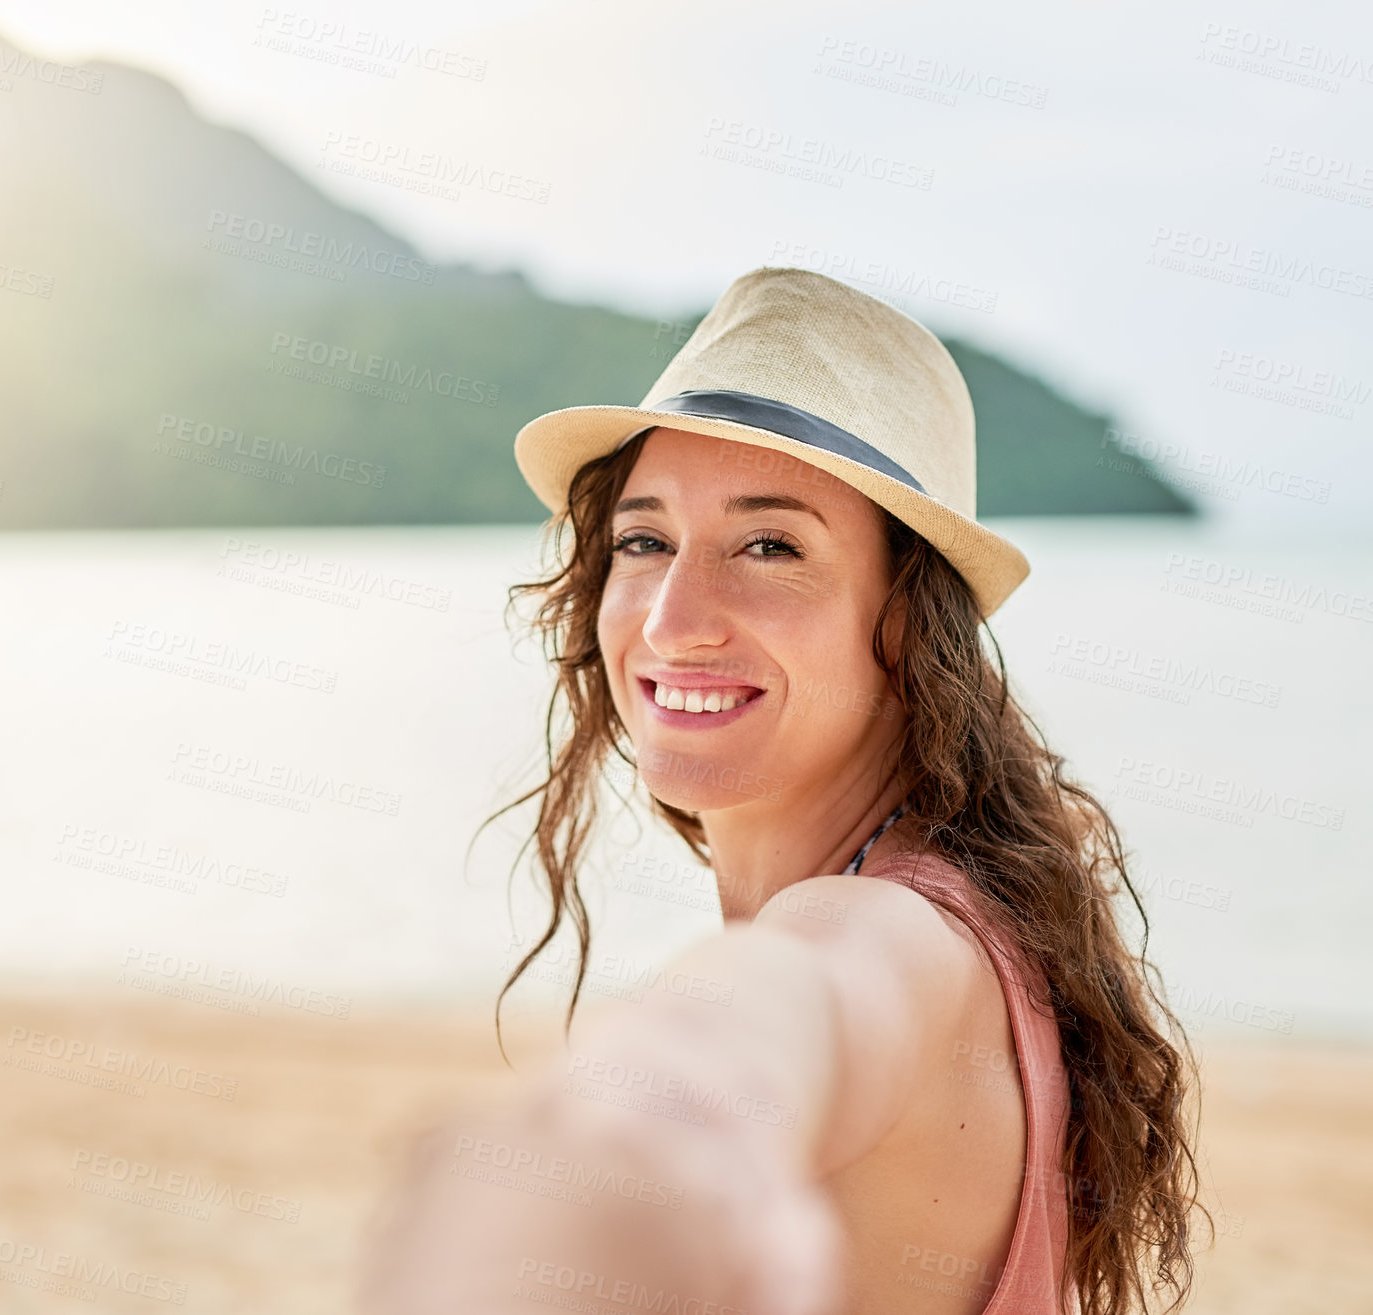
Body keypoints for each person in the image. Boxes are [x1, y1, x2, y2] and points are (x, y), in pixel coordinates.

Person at [359, 267, 1203, 1315]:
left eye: (771, 545)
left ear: (909, 623)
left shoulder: (892, 933)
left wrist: (630, 1146)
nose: (673, 619)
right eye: (645, 539)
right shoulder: (971, 916)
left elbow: (773, 1025)